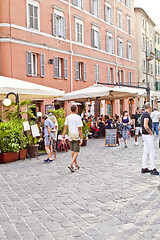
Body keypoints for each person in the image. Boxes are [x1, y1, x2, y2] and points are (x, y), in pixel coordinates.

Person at [62, 105, 83, 172]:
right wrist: (81, 137)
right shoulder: (78, 117)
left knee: (73, 150)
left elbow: (65, 128)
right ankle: (71, 164)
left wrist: (63, 137)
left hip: (70, 135)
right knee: (76, 151)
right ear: (76, 109)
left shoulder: (68, 117)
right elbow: (80, 128)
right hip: (76, 135)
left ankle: (76, 165)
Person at [141, 102, 159, 175]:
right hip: (147, 135)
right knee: (152, 151)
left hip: (144, 134)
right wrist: (151, 132)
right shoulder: (146, 114)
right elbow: (146, 125)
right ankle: (152, 168)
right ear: (150, 107)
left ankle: (144, 167)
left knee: (146, 151)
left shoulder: (144, 114)